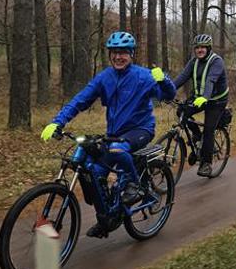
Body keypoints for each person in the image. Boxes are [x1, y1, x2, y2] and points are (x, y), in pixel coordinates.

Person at [40, 31, 177, 237]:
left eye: (123, 52)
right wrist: (57, 122)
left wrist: (164, 80)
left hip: (140, 130)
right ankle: (106, 219)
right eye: (114, 52)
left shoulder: (143, 76)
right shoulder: (105, 77)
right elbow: (80, 100)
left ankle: (135, 185)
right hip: (114, 133)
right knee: (94, 171)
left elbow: (168, 95)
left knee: (117, 149)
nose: (118, 57)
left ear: (131, 54)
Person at [172, 33, 229, 177]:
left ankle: (206, 163)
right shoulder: (193, 62)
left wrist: (205, 97)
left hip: (217, 101)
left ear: (208, 48)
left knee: (209, 129)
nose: (200, 50)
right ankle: (197, 138)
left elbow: (210, 80)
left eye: (203, 47)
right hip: (200, 98)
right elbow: (181, 78)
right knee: (181, 111)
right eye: (197, 47)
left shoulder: (217, 62)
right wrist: (167, 89)